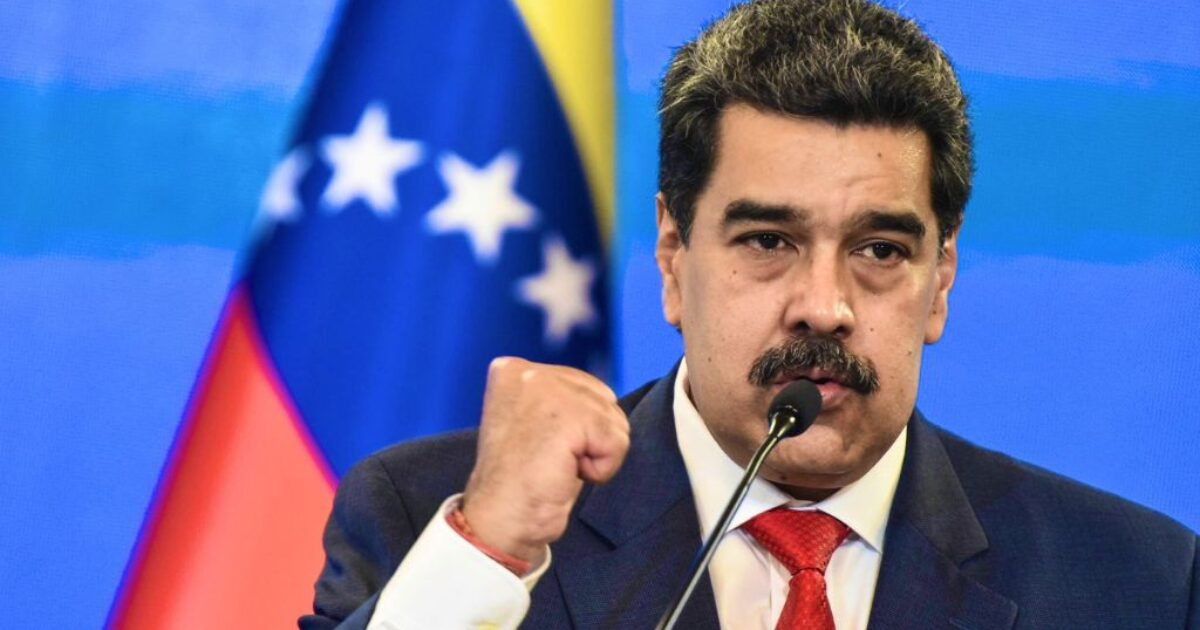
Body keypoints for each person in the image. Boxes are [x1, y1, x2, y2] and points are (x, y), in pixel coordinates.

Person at [300, 1, 1199, 628]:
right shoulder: (436, 523)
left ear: (942, 280)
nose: (824, 307)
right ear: (672, 253)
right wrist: (488, 556)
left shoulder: (1136, 584)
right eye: (769, 240)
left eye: (881, 250)